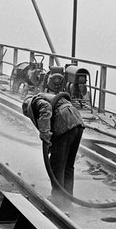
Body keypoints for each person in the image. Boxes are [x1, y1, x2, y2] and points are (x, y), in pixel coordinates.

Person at [21, 73, 85, 207]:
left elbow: (46, 110)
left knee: (56, 165)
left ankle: (58, 199)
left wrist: (44, 134)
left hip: (65, 125)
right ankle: (67, 198)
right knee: (68, 166)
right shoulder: (49, 97)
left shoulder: (35, 101)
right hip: (77, 123)